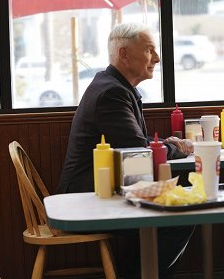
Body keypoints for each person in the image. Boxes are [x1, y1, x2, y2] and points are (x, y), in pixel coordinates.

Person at [57, 22, 194, 279]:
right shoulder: (111, 92)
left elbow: (137, 143)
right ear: (123, 54)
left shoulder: (115, 86)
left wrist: (166, 145)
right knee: (179, 216)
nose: (157, 58)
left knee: (175, 202)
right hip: (86, 197)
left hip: (103, 188)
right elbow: (139, 151)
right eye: (149, 50)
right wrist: (176, 149)